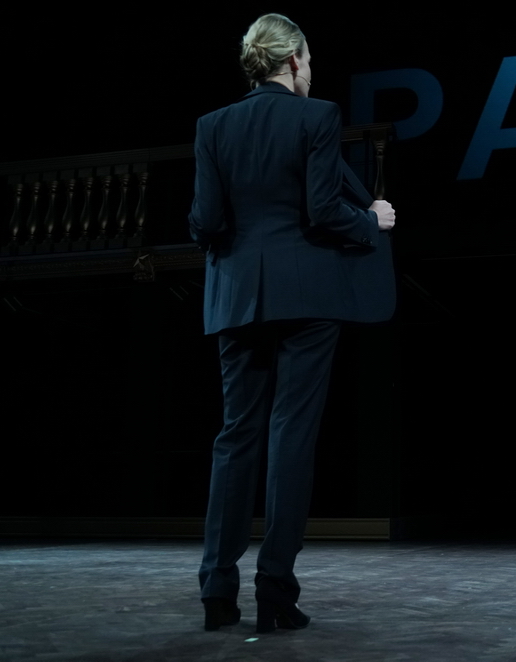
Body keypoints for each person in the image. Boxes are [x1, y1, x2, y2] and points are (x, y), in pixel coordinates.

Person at [189, 14, 397, 633]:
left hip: (236, 300)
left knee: (235, 438)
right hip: (306, 299)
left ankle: (216, 590)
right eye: (310, 59)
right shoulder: (317, 116)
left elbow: (205, 221)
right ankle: (275, 588)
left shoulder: (212, 126)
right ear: (295, 59)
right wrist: (373, 221)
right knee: (290, 437)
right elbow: (323, 209)